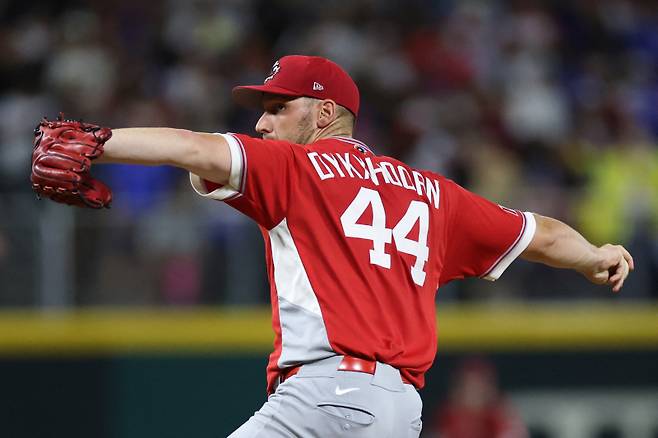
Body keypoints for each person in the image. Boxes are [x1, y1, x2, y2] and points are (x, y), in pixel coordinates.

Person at [36, 55, 633, 437]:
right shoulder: (435, 194)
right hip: (400, 414)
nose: (263, 124)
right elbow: (544, 234)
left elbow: (191, 147)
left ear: (324, 112)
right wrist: (597, 256)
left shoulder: (298, 169)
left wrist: (101, 141)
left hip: (328, 398)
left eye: (277, 108)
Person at [430, 357, 528, 438]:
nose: (473, 392)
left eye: (478, 385)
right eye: (467, 386)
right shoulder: (446, 417)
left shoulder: (500, 415)